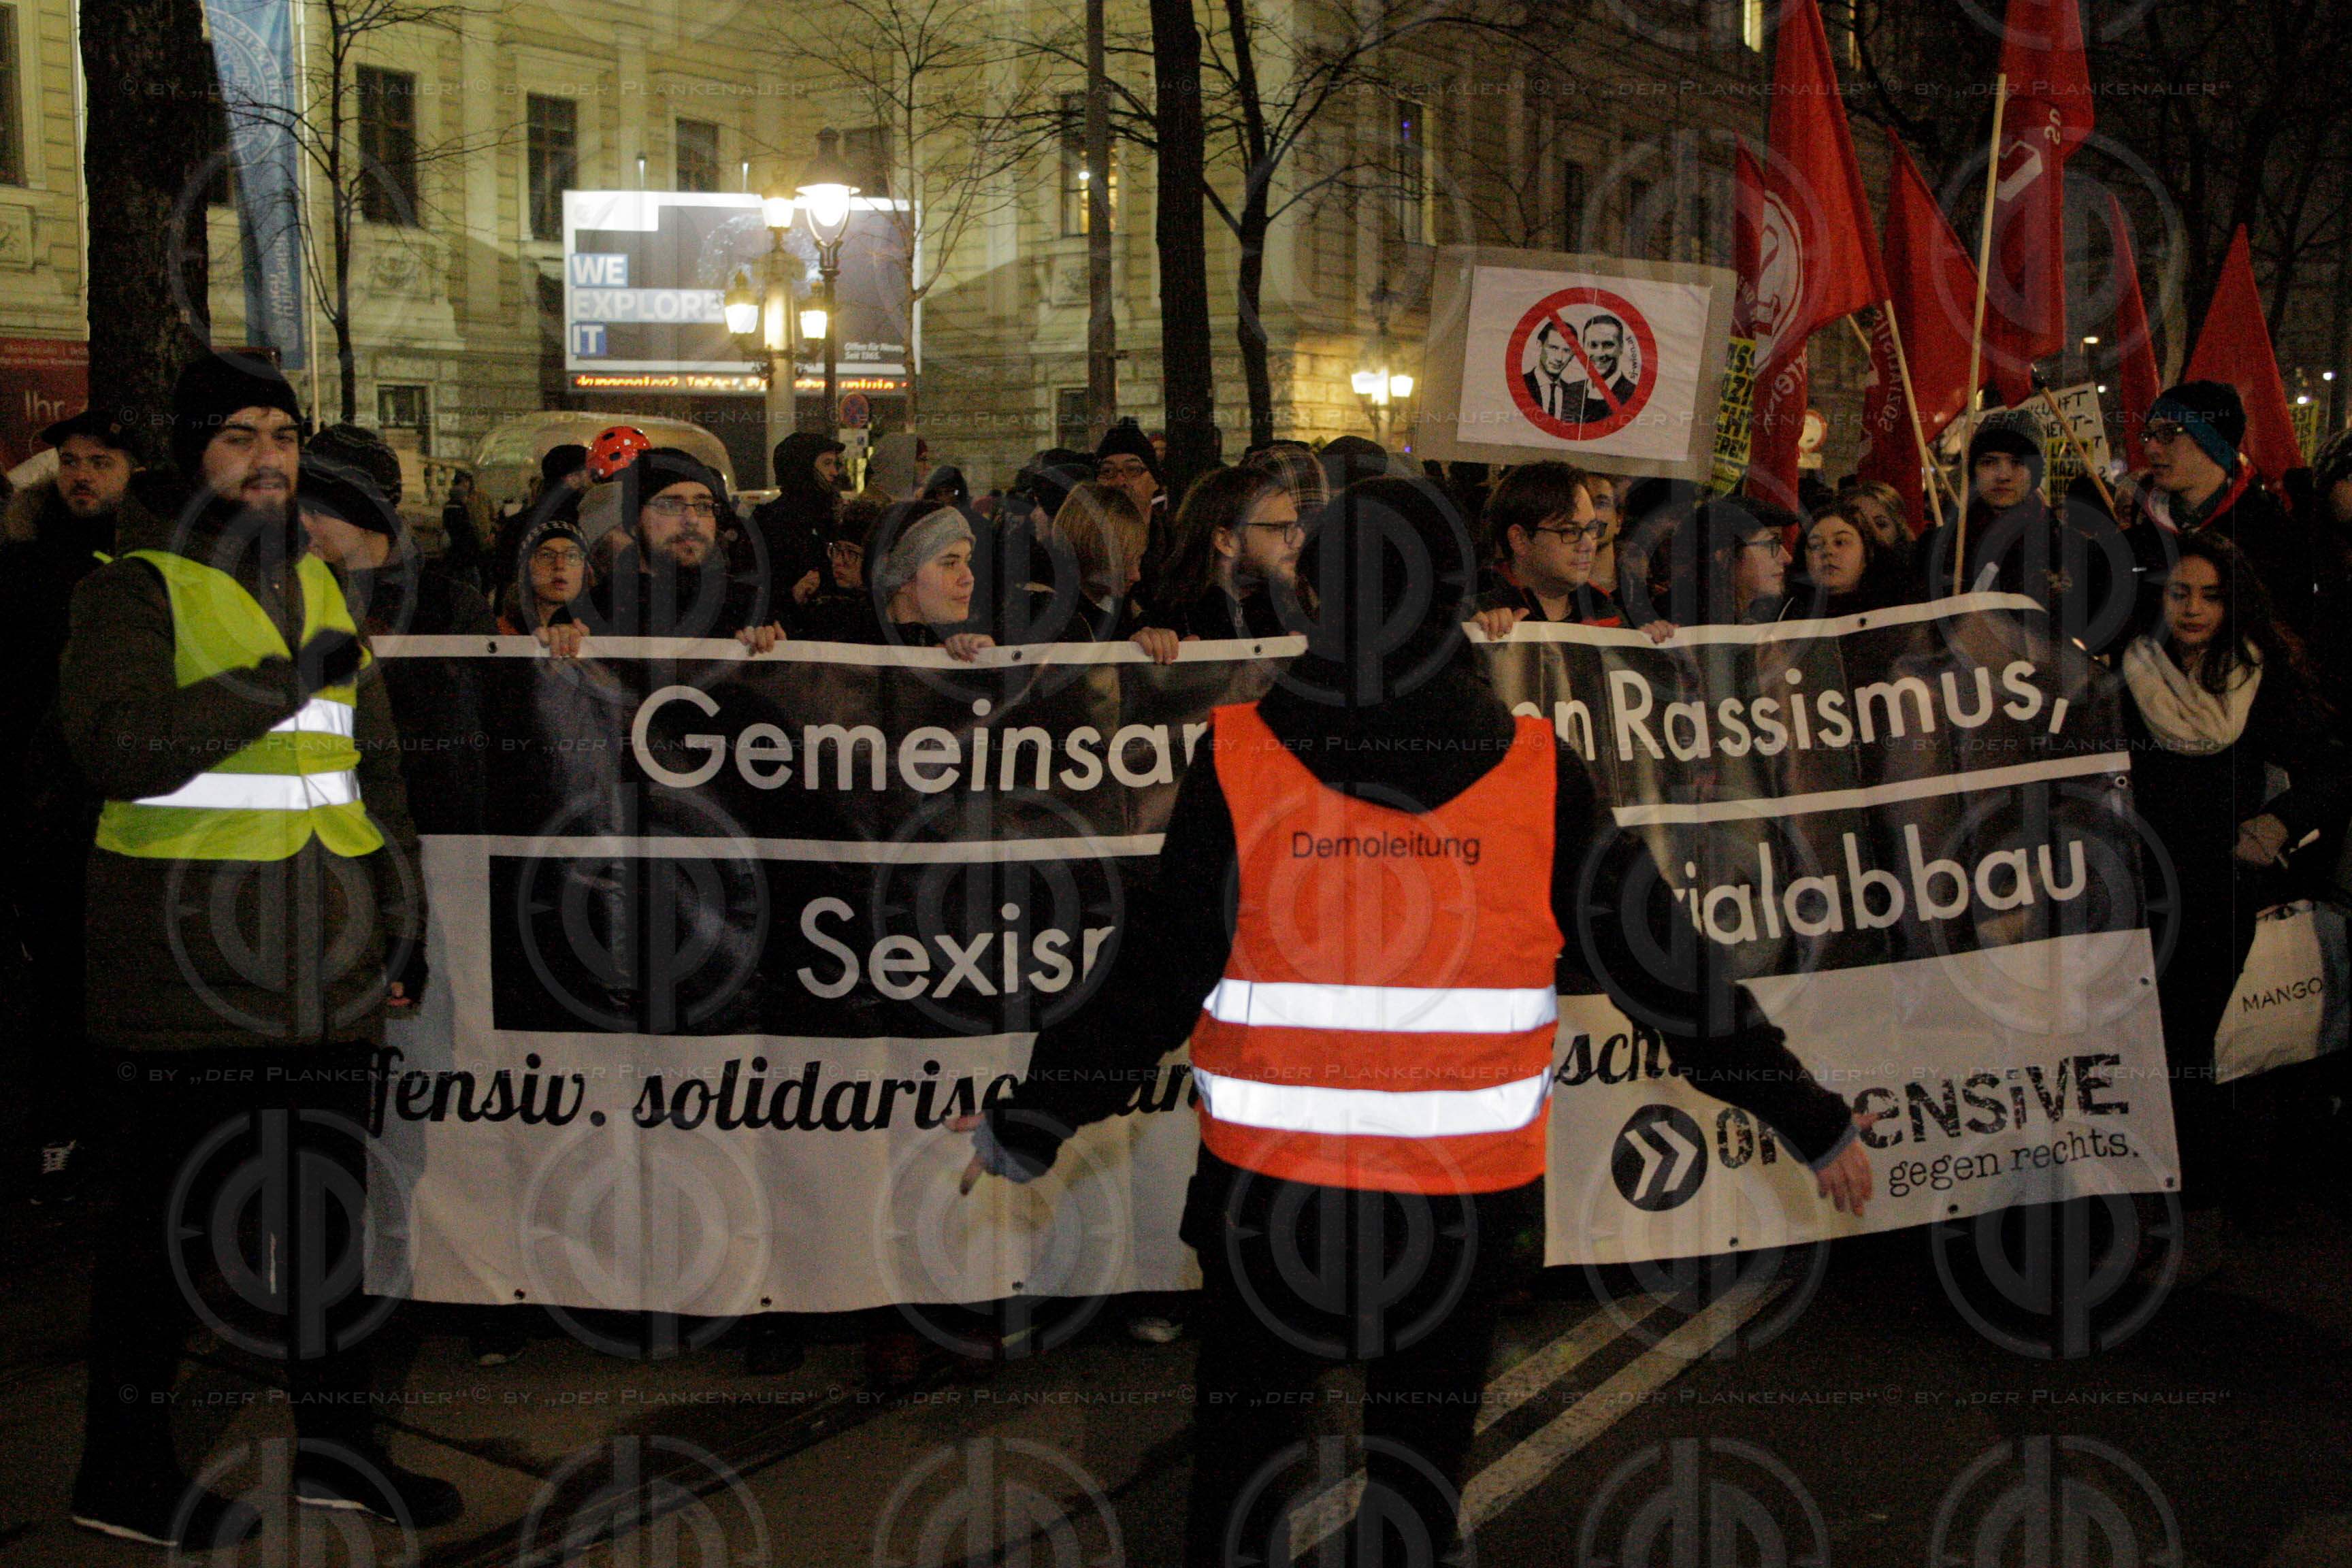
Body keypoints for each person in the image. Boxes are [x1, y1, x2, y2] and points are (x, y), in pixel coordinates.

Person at [955, 474, 1874, 1568]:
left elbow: (1149, 971)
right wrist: (1807, 1116)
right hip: (1458, 1218)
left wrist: (1037, 1116)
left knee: (1246, 1465)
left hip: (1271, 1207)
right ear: (1453, 592)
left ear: (1317, 596)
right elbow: (1670, 976)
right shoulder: (1537, 776)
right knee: (1415, 1479)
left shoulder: (1244, 761)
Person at [58, 353, 461, 1544]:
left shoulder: (318, 586)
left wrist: (400, 922)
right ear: (191, 452)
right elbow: (120, 746)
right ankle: (119, 1471)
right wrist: (284, 680)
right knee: (164, 1246)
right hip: (186, 987)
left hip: (321, 981)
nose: (270, 456)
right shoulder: (132, 590)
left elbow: (369, 778)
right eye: (239, 434)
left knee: (329, 1232)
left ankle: (339, 1453)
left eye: (284, 433)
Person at [2119, 531, 2350, 1273]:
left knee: (2190, 1044)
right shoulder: (2123, 670)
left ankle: (2190, 1214)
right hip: (2128, 891)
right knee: (2132, 1044)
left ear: (2235, 602)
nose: (2193, 608)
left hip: (2216, 892)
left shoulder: (2260, 677)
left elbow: (2334, 768)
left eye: (2211, 596)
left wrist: (2279, 823)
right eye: (2180, 592)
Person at [0, 407, 137, 1198]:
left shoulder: (145, 566)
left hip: (121, 801)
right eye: (74, 462)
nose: (82, 476)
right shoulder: (23, 563)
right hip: (48, 808)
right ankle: (63, 1128)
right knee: (57, 972)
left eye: (101, 463)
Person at [1913, 413, 2140, 651]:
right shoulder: (1937, 548)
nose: (2003, 475)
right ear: (1974, 471)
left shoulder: (2073, 551)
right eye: (1989, 462)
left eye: (2018, 462)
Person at [2136, 379, 2315, 636]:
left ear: (2211, 441)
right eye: (2148, 435)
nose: (2151, 447)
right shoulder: (2141, 538)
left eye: (2167, 434)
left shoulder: (2275, 538)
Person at [583, 447, 783, 650]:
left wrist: (771, 650)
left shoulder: (751, 609)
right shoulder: (593, 612)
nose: (692, 520)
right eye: (670, 506)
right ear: (634, 522)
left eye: (704, 506)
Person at [298, 459, 496, 638]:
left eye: (315, 512)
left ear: (365, 517)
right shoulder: (290, 599)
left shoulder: (456, 607)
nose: (302, 524)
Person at [1138, 466, 1301, 643]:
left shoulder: (1292, 612)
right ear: (1225, 541)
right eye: (1281, 528)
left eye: (1296, 526)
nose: (1298, 539)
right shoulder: (1169, 626)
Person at [815, 501, 996, 660]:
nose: (968, 578)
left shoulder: (961, 645)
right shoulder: (846, 653)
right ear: (899, 576)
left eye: (967, 561)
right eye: (950, 564)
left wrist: (988, 666)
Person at [1471, 461, 1627, 629]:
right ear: (1520, 539)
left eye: (1592, 528)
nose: (1588, 544)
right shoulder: (1471, 613)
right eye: (1569, 531)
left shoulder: (1607, 612)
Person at [1042, 480, 1150, 640]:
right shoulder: (1046, 616)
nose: (1136, 575)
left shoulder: (1132, 611)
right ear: (1087, 553)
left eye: (1138, 559)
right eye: (1122, 564)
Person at [749, 431, 847, 606]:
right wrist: (792, 594)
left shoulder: (830, 514)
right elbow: (755, 590)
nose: (834, 472)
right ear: (804, 467)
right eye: (827, 463)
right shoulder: (772, 521)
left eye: (835, 463)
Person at [1787, 502, 1912, 618]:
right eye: (1816, 545)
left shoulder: (1898, 611)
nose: (1828, 551)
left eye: (1840, 542)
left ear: (1868, 552)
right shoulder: (1787, 612)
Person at [496, 516, 593, 657]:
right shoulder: (498, 632)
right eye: (546, 555)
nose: (560, 565)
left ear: (585, 570)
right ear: (526, 569)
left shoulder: (607, 632)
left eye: (572, 556)